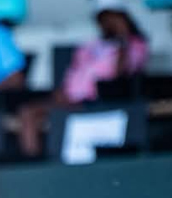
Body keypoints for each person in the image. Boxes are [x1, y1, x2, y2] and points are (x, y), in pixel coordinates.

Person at [16, 0, 148, 157]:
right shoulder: (91, 45)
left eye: (111, 17)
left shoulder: (136, 45)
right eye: (103, 18)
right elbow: (73, 74)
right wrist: (62, 93)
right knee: (29, 112)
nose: (107, 23)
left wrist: (122, 40)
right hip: (71, 100)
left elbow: (120, 75)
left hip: (100, 102)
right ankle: (34, 161)